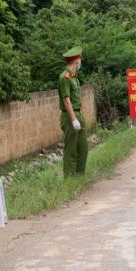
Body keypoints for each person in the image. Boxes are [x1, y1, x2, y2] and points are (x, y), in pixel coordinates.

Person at [58, 46, 88, 177]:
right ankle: (69, 177)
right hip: (70, 115)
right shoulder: (64, 78)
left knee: (83, 147)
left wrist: (78, 116)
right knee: (71, 149)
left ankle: (79, 175)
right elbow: (66, 100)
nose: (80, 62)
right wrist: (74, 119)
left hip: (77, 113)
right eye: (80, 59)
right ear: (76, 60)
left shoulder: (73, 77)